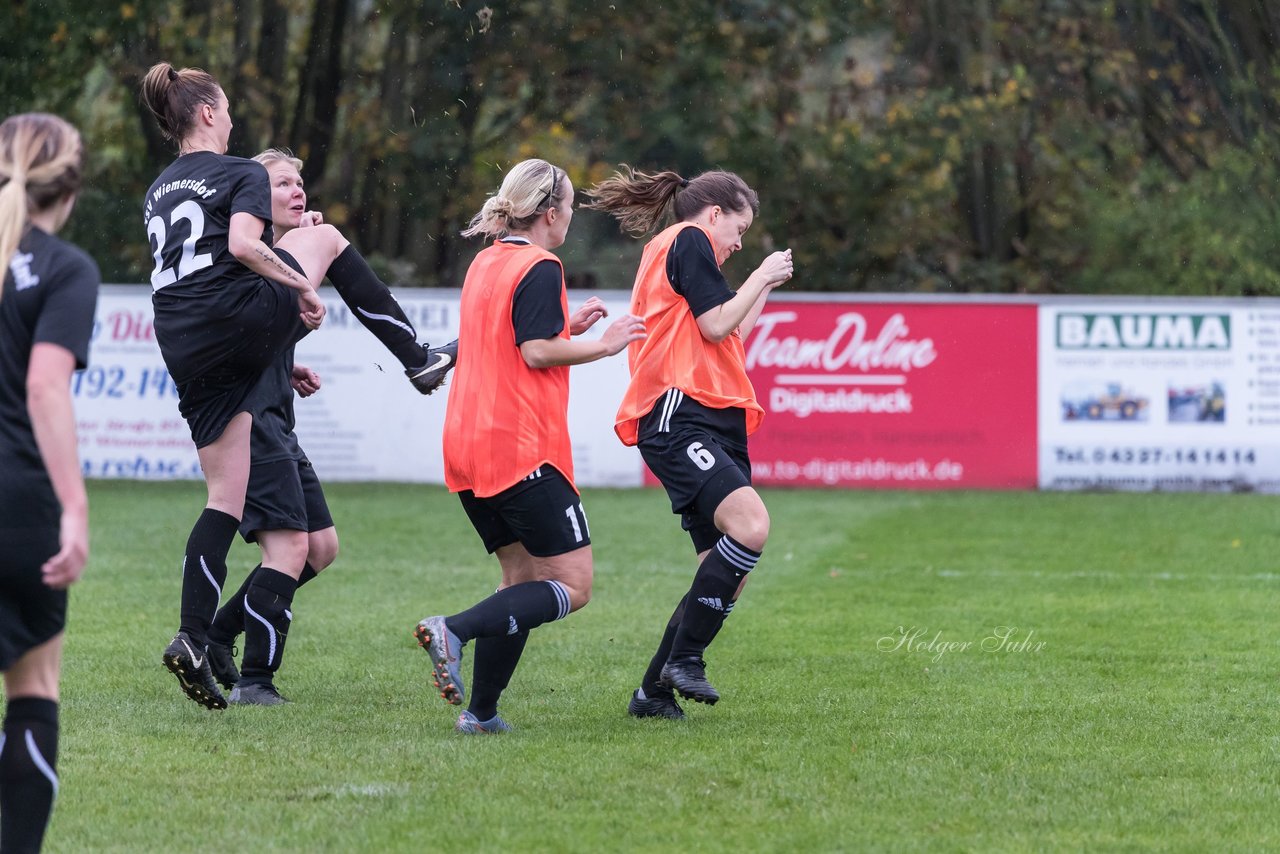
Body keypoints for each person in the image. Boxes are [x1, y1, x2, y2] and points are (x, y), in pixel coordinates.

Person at [139, 62, 452, 711]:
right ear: (206, 114)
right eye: (224, 110)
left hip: (185, 342)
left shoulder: (161, 189)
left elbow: (210, 265)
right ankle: (418, 357)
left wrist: (277, 347)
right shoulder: (239, 173)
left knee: (223, 501)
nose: (228, 120)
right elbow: (247, 247)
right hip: (233, 322)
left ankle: (196, 636)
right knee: (327, 239)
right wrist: (302, 285)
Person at [415, 158, 645, 734]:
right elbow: (535, 352)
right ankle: (455, 630)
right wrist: (606, 345)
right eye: (569, 207)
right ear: (550, 213)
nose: (571, 218)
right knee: (572, 585)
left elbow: (509, 336)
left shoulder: (486, 262)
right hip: (520, 451)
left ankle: (482, 713)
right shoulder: (542, 265)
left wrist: (567, 325)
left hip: (467, 448)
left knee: (519, 581)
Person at [584, 165, 792, 719]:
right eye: (739, 230)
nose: (739, 244)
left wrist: (764, 284)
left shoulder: (689, 250)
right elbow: (717, 326)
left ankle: (652, 694)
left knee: (725, 576)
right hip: (679, 410)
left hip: (710, 415)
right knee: (751, 526)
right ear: (715, 215)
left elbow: (733, 328)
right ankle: (688, 660)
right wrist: (761, 273)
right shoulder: (688, 239)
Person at [203, 149, 341, 706]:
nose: (297, 190)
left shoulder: (273, 259)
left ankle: (217, 633)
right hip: (251, 425)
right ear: (255, 199)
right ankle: (257, 681)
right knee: (287, 551)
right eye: (282, 183)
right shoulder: (246, 259)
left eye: (300, 182)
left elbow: (265, 334)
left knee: (321, 549)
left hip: (278, 419)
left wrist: (288, 363)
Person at [0, 113, 98, 852]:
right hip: (20, 505)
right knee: (33, 692)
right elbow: (44, 389)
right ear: (68, 188)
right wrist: (73, 506)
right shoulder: (65, 268)